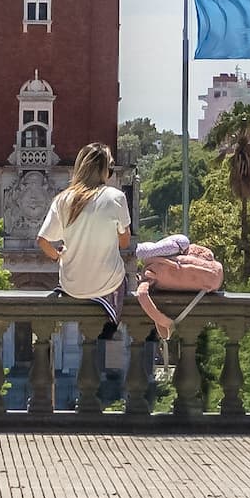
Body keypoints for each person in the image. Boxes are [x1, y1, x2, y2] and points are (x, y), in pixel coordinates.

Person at [36, 142, 174, 346]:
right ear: (104, 171)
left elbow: (42, 241)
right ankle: (112, 322)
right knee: (127, 277)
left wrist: (58, 256)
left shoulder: (63, 199)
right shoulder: (116, 197)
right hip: (106, 284)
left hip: (71, 285)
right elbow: (125, 242)